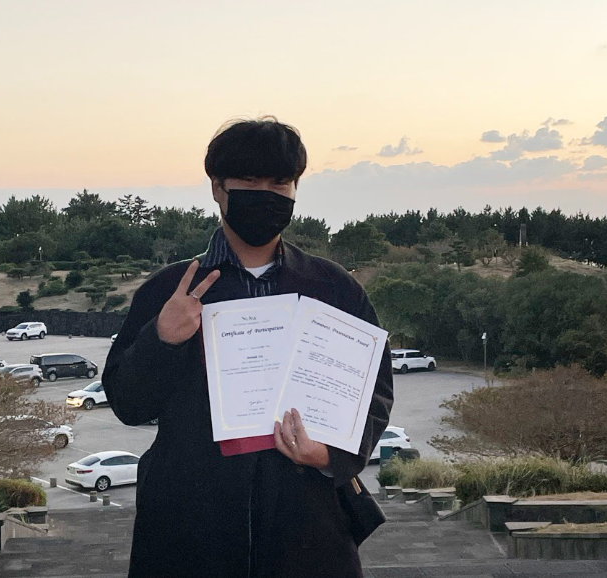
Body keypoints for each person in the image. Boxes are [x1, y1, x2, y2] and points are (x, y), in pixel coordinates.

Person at [102, 117, 394, 578]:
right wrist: (163, 339)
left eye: (280, 183)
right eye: (250, 181)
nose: (266, 194)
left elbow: (374, 395)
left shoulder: (334, 288)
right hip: (189, 533)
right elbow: (127, 404)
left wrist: (327, 456)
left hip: (308, 533)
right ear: (217, 188)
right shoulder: (169, 290)